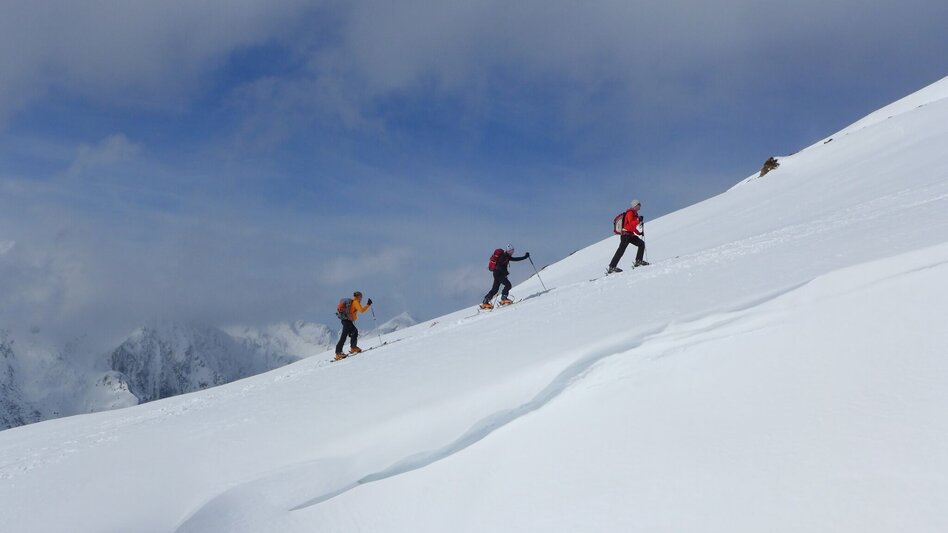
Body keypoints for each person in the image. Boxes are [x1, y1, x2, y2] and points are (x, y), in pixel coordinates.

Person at [481, 244, 530, 309]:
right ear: (508, 251)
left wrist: (525, 257)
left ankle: (485, 301)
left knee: (495, 289)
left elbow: (516, 259)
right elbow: (499, 267)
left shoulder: (507, 256)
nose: (512, 252)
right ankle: (503, 298)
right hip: (498, 274)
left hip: (497, 274)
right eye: (511, 251)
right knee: (508, 285)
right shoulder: (503, 257)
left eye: (513, 251)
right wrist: (505, 273)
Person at [608, 199, 648, 273]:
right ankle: (612, 267)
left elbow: (631, 227)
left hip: (630, 235)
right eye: (639, 204)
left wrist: (639, 233)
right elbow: (631, 223)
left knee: (641, 244)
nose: (640, 206)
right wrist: (638, 220)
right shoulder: (630, 213)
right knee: (621, 251)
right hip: (626, 235)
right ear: (635, 205)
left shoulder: (635, 214)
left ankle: (638, 261)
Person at [335, 291, 372, 360]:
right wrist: (368, 304)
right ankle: (339, 353)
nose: (361, 298)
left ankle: (353, 347)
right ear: (358, 296)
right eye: (361, 297)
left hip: (346, 320)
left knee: (354, 331)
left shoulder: (353, 301)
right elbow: (361, 310)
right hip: (347, 321)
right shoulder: (355, 302)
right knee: (344, 336)